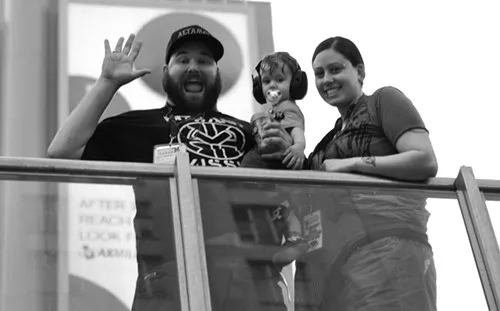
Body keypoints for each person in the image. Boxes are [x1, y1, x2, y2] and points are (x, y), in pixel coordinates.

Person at [47, 25, 294, 311]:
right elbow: (61, 151)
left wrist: (287, 146)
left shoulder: (250, 130)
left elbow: (291, 193)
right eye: (182, 60)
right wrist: (107, 82)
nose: (193, 67)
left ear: (217, 73)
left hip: (253, 281)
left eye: (204, 61)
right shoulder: (138, 126)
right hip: (170, 277)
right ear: (165, 71)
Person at [294, 36, 439, 311]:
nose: (327, 80)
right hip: (327, 269)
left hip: (384, 249)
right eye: (319, 74)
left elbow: (424, 159)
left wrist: (353, 164)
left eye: (336, 69)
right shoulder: (326, 141)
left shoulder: (382, 100)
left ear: (359, 72)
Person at [241, 51, 308, 170]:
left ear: (294, 83)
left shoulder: (287, 106)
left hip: (280, 155)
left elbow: (296, 129)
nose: (272, 85)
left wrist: (299, 146)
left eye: (280, 80)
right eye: (266, 81)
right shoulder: (274, 109)